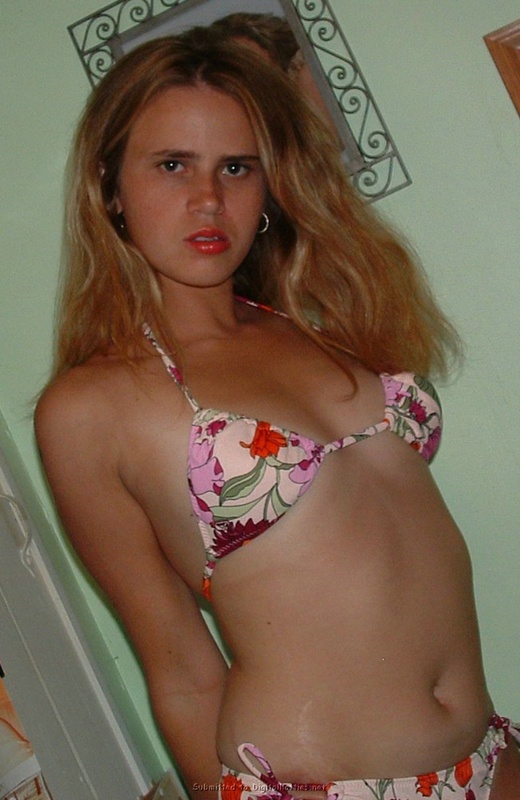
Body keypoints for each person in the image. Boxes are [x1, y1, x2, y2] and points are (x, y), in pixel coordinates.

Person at [35, 28, 520, 800]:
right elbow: (180, 669)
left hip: (487, 754)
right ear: (110, 188)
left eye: (236, 166)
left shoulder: (314, 325)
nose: (208, 198)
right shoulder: (91, 407)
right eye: (172, 165)